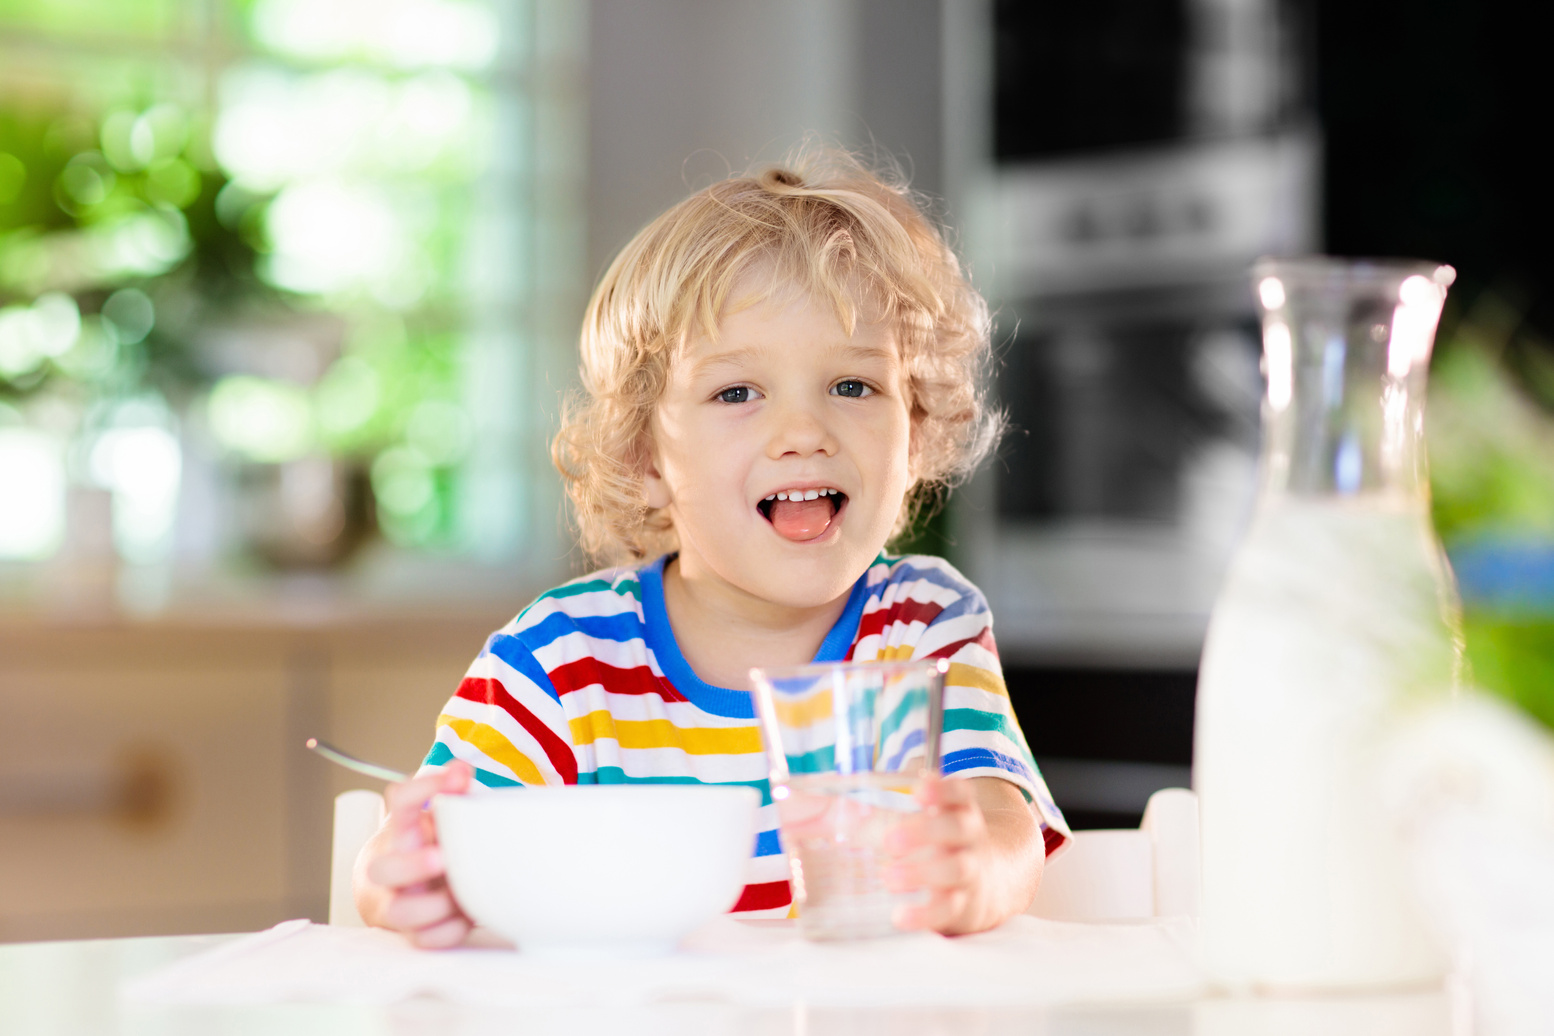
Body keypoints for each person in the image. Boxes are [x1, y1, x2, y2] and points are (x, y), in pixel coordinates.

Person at [354, 149, 1071, 948]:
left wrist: (973, 872)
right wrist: (415, 878)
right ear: (644, 459)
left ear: (917, 435)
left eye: (853, 386)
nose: (804, 433)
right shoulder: (560, 659)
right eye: (737, 393)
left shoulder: (924, 629)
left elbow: (1004, 824)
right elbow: (432, 845)